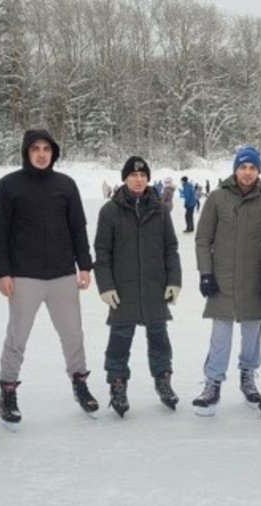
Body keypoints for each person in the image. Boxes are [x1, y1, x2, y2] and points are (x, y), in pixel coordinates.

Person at [0, 128, 99, 426]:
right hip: (25, 276)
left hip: (62, 274)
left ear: (53, 153)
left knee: (73, 334)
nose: (41, 153)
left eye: (46, 149)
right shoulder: (8, 185)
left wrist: (85, 265)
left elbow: (78, 227)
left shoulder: (66, 185)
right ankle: (7, 391)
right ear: (26, 152)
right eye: (35, 148)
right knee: (17, 337)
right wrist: (2, 272)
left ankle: (80, 383)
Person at [192, 145, 261, 416]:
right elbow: (202, 239)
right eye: (243, 167)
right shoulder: (218, 198)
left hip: (256, 281)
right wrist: (206, 273)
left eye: (252, 167)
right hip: (223, 279)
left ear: (259, 171)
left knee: (252, 333)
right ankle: (213, 382)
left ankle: (248, 376)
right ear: (235, 169)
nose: (247, 172)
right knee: (220, 334)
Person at [94, 156, 182, 417]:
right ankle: (117, 383)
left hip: (155, 286)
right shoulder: (110, 211)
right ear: (125, 178)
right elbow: (102, 252)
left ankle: (163, 379)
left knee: (159, 338)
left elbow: (171, 248)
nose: (138, 179)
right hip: (123, 288)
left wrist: (174, 280)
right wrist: (105, 285)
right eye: (133, 175)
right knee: (120, 339)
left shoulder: (159, 209)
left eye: (143, 175)